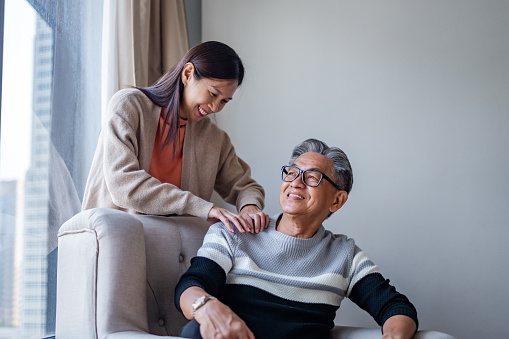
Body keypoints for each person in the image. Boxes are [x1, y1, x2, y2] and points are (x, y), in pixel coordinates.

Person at [175, 138, 418, 339]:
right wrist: (206, 308)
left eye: (312, 178)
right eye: (291, 173)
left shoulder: (344, 256)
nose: (296, 183)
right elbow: (191, 286)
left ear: (337, 200)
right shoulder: (236, 232)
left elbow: (395, 307)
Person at [82, 41, 269, 233]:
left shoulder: (214, 138)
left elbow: (246, 186)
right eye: (213, 94)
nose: (215, 108)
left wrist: (249, 207)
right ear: (187, 74)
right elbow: (123, 185)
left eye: (224, 101)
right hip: (117, 237)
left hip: (177, 245)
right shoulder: (129, 106)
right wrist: (204, 207)